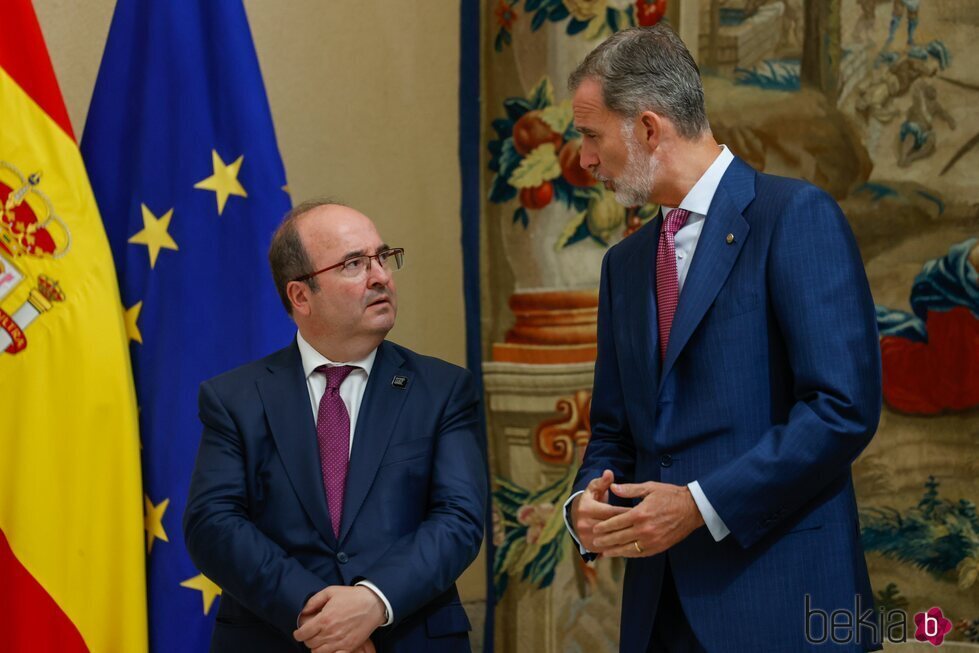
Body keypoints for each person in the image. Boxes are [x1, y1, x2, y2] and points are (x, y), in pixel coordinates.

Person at [564, 25, 883, 652]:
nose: (584, 160)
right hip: (658, 614)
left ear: (650, 129)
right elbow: (613, 430)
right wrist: (586, 504)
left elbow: (842, 410)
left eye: (591, 135)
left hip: (782, 604)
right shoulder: (623, 266)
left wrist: (698, 505)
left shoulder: (795, 217)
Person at [184, 200, 486, 653]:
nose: (381, 276)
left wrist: (371, 602)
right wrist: (316, 613)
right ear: (301, 296)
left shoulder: (443, 390)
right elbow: (213, 524)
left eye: (383, 257)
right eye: (353, 264)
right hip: (279, 637)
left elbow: (458, 519)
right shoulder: (234, 399)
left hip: (408, 637)